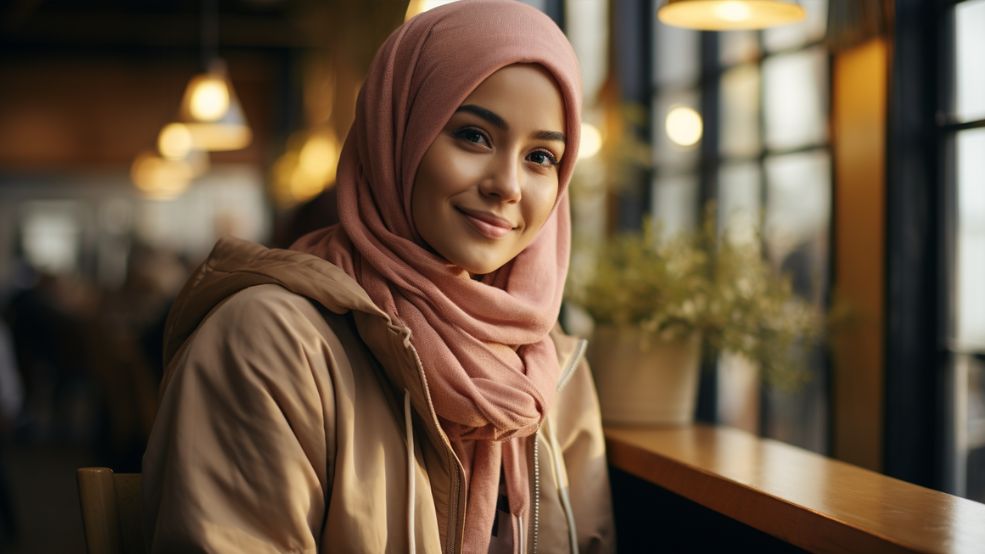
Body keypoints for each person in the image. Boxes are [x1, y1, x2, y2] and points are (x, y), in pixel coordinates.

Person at [142, 1, 615, 552]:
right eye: (474, 136)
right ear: (396, 133)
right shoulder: (271, 342)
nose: (508, 185)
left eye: (540, 156)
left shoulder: (553, 369)